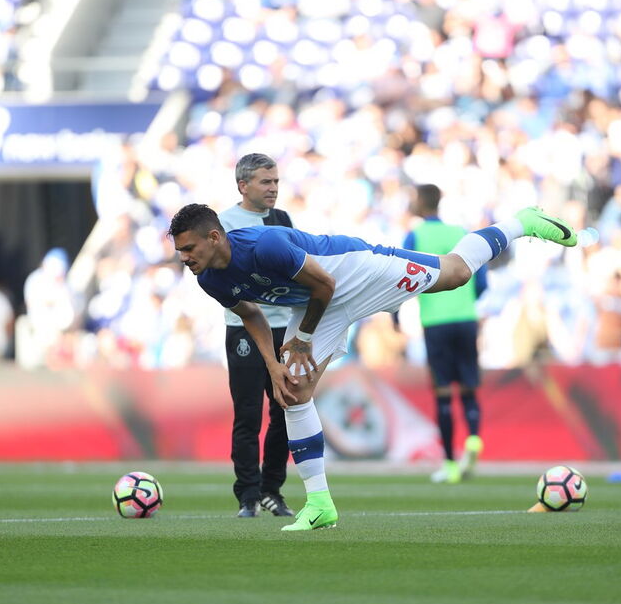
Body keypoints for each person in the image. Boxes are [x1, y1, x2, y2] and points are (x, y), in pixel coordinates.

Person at [167, 200, 578, 531]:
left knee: (454, 273)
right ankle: (320, 504)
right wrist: (274, 364)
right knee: (292, 391)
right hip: (316, 304)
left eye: (188, 248)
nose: (183, 258)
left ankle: (521, 222)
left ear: (215, 237)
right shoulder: (209, 279)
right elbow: (252, 315)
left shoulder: (264, 246)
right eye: (180, 251)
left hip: (355, 270)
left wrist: (303, 339)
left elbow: (325, 283)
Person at [219, 153, 295, 518]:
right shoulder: (224, 223)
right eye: (266, 182)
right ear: (243, 185)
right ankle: (247, 495)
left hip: (285, 327)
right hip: (244, 327)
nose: (274, 188)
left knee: (285, 410)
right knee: (247, 413)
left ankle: (271, 490)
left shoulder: (282, 220)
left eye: (276, 181)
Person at [399, 184, 487, 484]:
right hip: (465, 317)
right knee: (468, 387)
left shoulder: (416, 235)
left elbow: (401, 275)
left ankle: (450, 464)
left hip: (435, 321)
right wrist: (465, 300)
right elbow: (482, 277)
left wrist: (397, 316)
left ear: (420, 203)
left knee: (443, 394)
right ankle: (474, 438)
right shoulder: (461, 233)